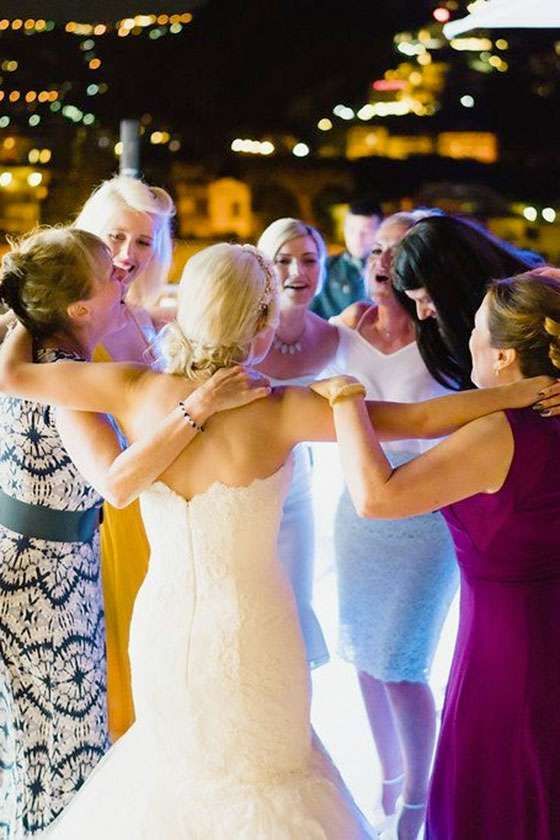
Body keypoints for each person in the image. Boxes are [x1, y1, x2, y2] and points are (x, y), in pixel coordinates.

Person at [0, 242, 549, 838]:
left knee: (171, 770)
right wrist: (510, 394)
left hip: (162, 623)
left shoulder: (131, 388)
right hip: (256, 631)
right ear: (260, 324)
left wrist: (25, 311)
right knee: (271, 781)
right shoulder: (285, 408)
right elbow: (417, 420)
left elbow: (12, 375)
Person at [0, 228, 269, 835]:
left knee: (37, 749)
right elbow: (116, 485)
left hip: (53, 562)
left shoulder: (39, 347)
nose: (124, 272)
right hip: (43, 583)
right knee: (58, 756)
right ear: (79, 308)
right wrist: (197, 409)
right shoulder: (62, 375)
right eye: (109, 271)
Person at [312, 269, 560, 839]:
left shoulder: (503, 433)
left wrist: (347, 396)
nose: (465, 336)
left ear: (502, 356)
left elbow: (377, 497)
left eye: (475, 327)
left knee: (506, 791)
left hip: (510, 656)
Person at [331, 211, 457, 840]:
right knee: (362, 653)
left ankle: (417, 798)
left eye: (398, 252)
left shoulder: (447, 336)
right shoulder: (345, 329)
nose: (382, 261)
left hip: (427, 517)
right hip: (357, 512)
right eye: (376, 249)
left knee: (403, 664)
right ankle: (384, 779)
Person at [74, 175, 176, 740]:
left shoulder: (147, 316)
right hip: (102, 507)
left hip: (157, 505)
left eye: (143, 242)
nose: (127, 256)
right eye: (116, 237)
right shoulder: (70, 319)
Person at [256, 217, 339, 669]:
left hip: (300, 492)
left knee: (294, 605)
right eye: (282, 260)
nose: (297, 272)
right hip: (241, 490)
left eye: (309, 260)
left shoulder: (333, 337)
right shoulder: (239, 335)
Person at [392, 214, 534, 389]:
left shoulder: (529, 305)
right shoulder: (443, 330)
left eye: (426, 299)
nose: (421, 314)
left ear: (455, 284)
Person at [311, 200, 382, 320]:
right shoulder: (325, 268)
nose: (357, 238)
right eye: (351, 230)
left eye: (365, 231)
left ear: (380, 231)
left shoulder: (391, 270)